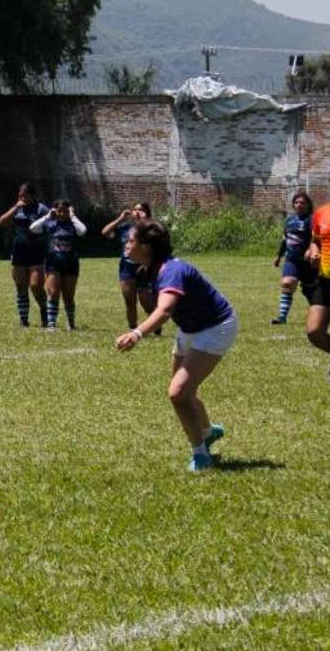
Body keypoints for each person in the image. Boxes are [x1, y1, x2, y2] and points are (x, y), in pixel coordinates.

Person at [115, 220, 237, 471]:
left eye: (131, 240)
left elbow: (165, 309)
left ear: (146, 246)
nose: (126, 245)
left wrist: (137, 333)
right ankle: (207, 431)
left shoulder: (171, 271)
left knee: (178, 393)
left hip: (215, 327)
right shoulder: (150, 268)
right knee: (184, 392)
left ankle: (201, 456)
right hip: (190, 328)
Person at [101, 202, 159, 331]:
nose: (138, 212)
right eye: (135, 209)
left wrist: (146, 221)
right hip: (127, 269)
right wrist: (120, 219)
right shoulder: (124, 227)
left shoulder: (150, 228)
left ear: (147, 212)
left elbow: (158, 237)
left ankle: (155, 325)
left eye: (141, 209)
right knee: (130, 300)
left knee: (146, 302)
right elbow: (105, 232)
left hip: (144, 269)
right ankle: (133, 329)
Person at [0, 183, 50, 327]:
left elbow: (51, 226)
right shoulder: (17, 209)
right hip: (19, 251)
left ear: (33, 196)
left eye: (25, 195)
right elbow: (2, 222)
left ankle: (45, 314)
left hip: (37, 252)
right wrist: (15, 208)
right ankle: (24, 320)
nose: (22, 198)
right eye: (20, 196)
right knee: (21, 286)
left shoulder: (41, 209)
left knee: (35, 286)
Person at [29, 199, 87, 330]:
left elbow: (83, 231)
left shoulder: (73, 225)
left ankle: (71, 323)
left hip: (71, 263)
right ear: (55, 210)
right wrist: (47, 216)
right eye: (59, 210)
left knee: (69, 295)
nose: (62, 213)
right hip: (53, 263)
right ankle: (51, 324)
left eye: (65, 211)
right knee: (54, 292)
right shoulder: (50, 223)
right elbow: (33, 228)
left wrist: (73, 216)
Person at [271, 192, 315, 325]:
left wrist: (310, 249)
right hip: (291, 260)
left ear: (308, 205)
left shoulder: (311, 220)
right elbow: (285, 240)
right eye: (297, 202)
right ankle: (282, 317)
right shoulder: (289, 220)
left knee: (311, 291)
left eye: (302, 203)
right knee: (287, 283)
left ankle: (320, 314)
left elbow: (315, 237)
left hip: (308, 262)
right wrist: (279, 256)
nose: (299, 205)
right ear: (293, 205)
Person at [305, 184, 330, 383]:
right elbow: (315, 240)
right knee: (314, 331)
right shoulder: (322, 213)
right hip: (325, 280)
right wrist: (313, 250)